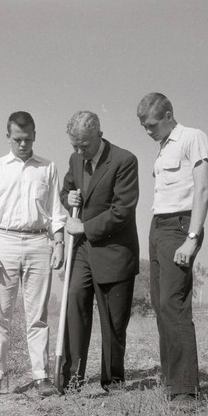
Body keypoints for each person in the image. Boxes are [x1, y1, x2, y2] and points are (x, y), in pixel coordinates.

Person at [0, 111, 66, 398]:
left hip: (40, 243)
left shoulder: (48, 168)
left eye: (27, 139)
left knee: (37, 316)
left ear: (35, 136)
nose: (23, 145)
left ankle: (41, 377)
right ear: (8, 137)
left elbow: (55, 213)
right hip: (6, 243)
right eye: (17, 139)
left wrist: (59, 243)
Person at [136, 93, 208, 403]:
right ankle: (172, 381)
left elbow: (203, 189)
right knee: (160, 303)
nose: (148, 130)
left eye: (151, 124)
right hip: (158, 227)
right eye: (143, 126)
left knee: (173, 303)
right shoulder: (163, 147)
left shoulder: (193, 138)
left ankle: (185, 390)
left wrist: (192, 237)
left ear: (168, 115)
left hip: (180, 227)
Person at [60, 110, 139, 392]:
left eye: (84, 145)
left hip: (115, 252)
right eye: (75, 145)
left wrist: (85, 227)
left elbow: (122, 211)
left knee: (113, 323)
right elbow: (66, 191)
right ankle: (71, 380)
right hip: (83, 252)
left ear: (99, 136)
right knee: (74, 304)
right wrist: (66, 196)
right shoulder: (75, 159)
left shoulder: (124, 160)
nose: (80, 151)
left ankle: (113, 382)